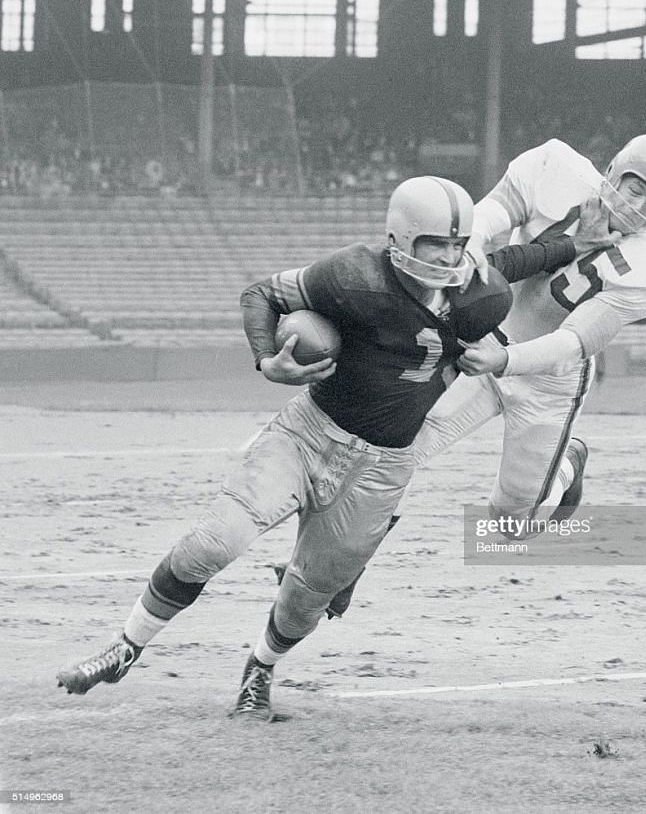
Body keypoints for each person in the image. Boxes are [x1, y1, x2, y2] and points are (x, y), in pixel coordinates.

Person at [56, 175, 615, 721]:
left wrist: (576, 245)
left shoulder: (482, 294)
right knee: (214, 543)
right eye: (434, 244)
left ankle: (259, 671)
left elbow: (518, 261)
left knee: (307, 599)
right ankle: (125, 648)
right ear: (397, 240)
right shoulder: (353, 275)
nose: (447, 258)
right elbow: (263, 294)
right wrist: (267, 360)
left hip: (385, 467)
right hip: (308, 434)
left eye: (456, 245)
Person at [316, 134, 646, 615]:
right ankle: (342, 570)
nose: (635, 205)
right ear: (613, 169)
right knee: (396, 450)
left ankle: (567, 466)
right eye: (633, 187)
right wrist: (464, 259)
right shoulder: (554, 166)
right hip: (486, 336)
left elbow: (574, 341)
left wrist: (506, 363)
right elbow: (487, 216)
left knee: (510, 525)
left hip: (549, 378)